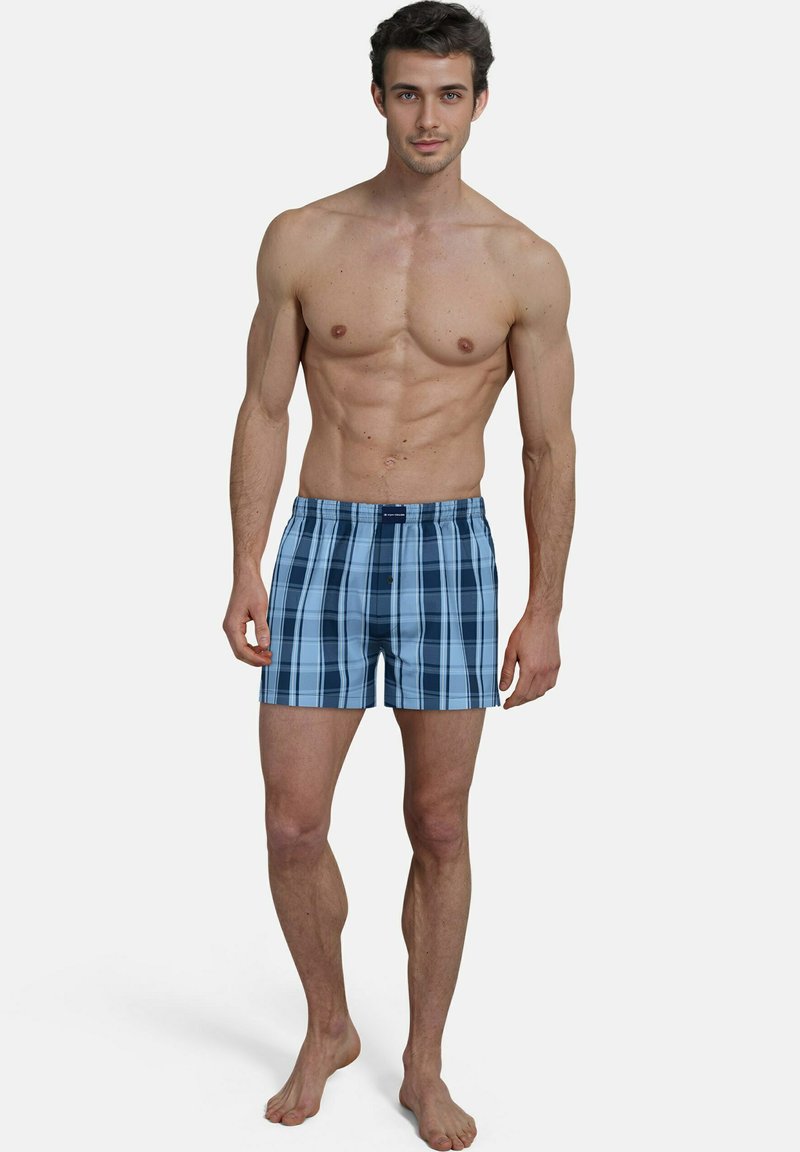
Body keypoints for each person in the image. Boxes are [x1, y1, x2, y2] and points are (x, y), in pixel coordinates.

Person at [222, 2, 576, 1147]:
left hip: (447, 549)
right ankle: (328, 1023)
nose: (429, 117)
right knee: (291, 824)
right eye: (409, 92)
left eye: (449, 94)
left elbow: (547, 447)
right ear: (376, 97)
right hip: (320, 542)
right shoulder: (301, 238)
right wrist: (244, 562)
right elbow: (264, 408)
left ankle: (422, 1062)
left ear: (480, 102)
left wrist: (544, 608)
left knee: (437, 823)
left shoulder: (522, 262)